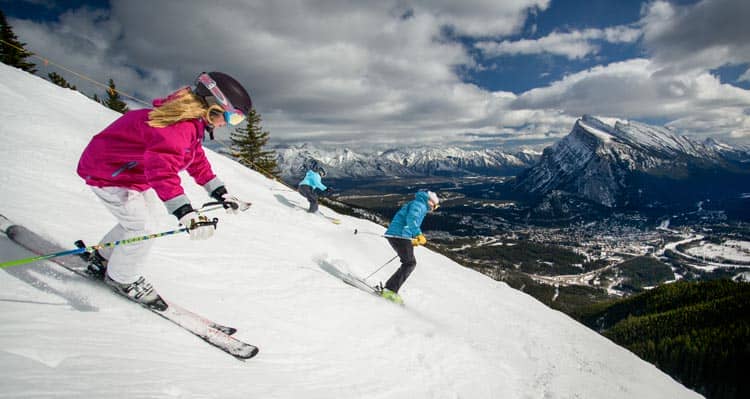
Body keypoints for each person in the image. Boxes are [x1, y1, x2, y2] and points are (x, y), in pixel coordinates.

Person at [76, 71, 252, 310]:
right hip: (108, 172)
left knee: (141, 222)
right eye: (232, 118)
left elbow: (196, 160)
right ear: (214, 105)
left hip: (127, 175)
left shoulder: (190, 125)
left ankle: (103, 258)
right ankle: (122, 279)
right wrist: (185, 212)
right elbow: (162, 171)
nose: (227, 125)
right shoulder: (178, 127)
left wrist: (220, 192)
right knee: (143, 227)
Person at [381, 190, 440, 304]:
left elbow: (408, 222)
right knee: (410, 263)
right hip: (399, 235)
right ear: (430, 201)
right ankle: (389, 290)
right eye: (435, 206)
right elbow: (411, 220)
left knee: (409, 262)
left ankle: (390, 289)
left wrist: (411, 239)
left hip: (400, 235)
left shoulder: (418, 203)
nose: (434, 208)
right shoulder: (420, 205)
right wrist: (418, 234)